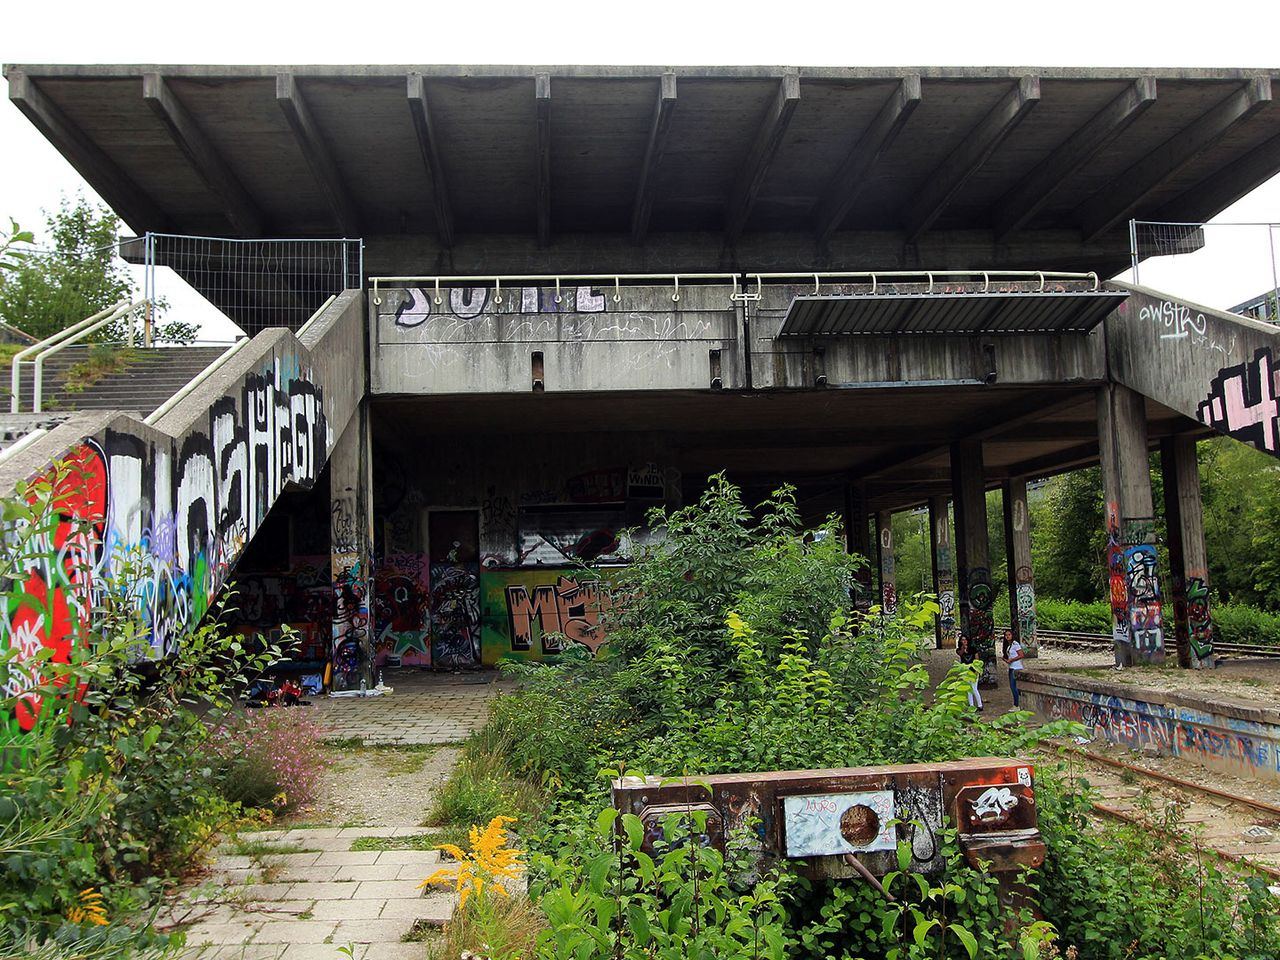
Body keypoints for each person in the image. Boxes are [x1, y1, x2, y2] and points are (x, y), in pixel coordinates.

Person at [956, 633, 982, 711]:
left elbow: (977, 659)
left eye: (965, 640)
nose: (964, 641)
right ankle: (971, 705)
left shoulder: (973, 649)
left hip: (973, 671)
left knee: (974, 688)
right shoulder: (959, 649)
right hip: (965, 671)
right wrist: (963, 648)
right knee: (968, 689)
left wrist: (977, 670)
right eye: (962, 640)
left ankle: (980, 705)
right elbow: (960, 653)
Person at [1003, 629, 1025, 707]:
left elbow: (1021, 655)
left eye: (1009, 635)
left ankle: (1016, 705)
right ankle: (1017, 703)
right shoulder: (1009, 646)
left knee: (1013, 687)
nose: (1007, 636)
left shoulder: (1015, 644)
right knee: (1012, 686)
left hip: (1016, 667)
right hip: (1011, 666)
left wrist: (1012, 659)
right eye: (1006, 635)